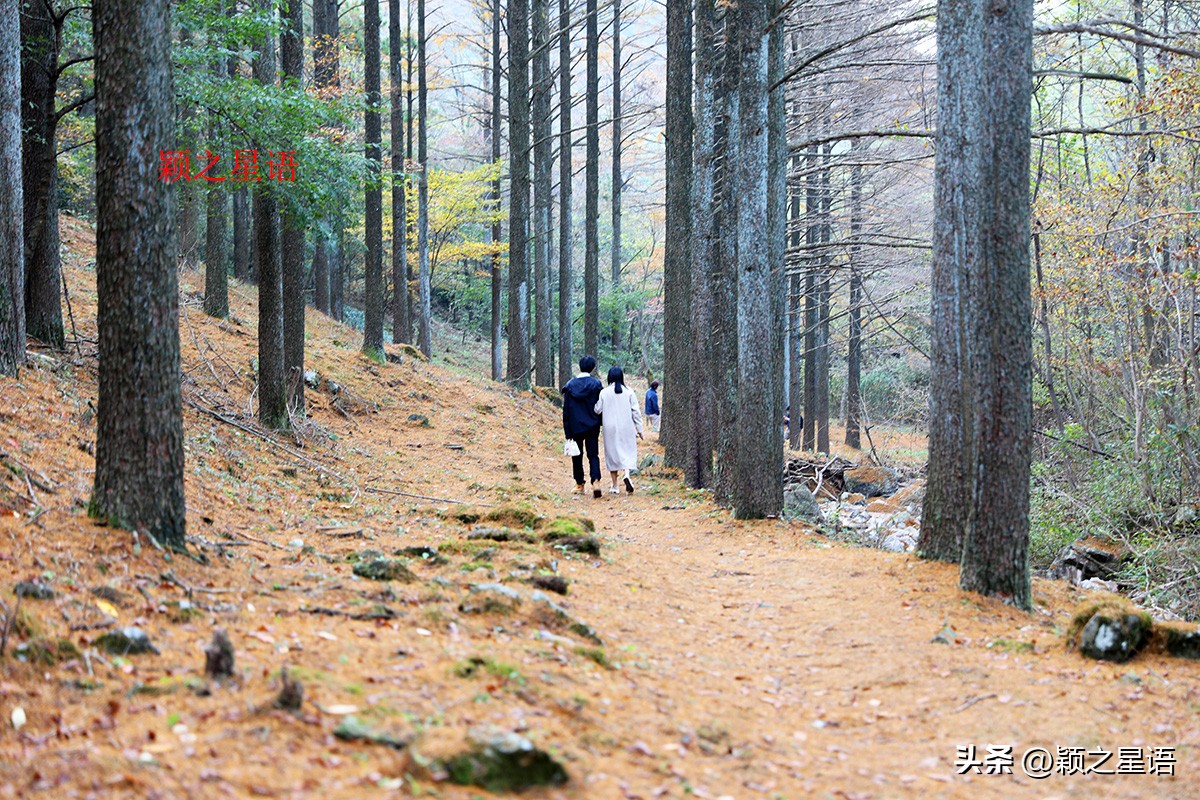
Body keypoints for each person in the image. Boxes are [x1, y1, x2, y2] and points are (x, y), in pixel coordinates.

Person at [595, 366, 644, 494]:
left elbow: (598, 409)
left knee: (612, 453)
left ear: (609, 377)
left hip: (609, 427)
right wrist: (640, 429)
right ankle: (627, 474)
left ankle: (615, 485)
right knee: (627, 450)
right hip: (626, 426)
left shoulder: (604, 392)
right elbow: (636, 412)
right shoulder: (629, 392)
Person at [561, 355, 604, 498]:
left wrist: (567, 432)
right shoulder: (596, 384)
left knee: (576, 456)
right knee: (593, 454)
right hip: (592, 425)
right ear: (592, 368)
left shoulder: (570, 386)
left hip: (575, 426)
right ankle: (596, 481)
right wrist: (601, 422)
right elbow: (600, 405)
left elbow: (566, 410)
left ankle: (579, 484)